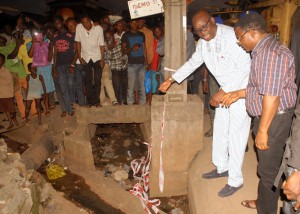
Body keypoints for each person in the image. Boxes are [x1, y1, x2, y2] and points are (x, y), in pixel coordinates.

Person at [159, 9, 251, 197]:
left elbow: (245, 67)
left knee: (236, 135)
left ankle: (235, 180)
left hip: (240, 91)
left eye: (205, 27)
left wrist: (224, 91)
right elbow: (193, 62)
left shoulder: (232, 37)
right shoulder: (203, 43)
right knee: (220, 128)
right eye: (199, 31)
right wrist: (172, 79)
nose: (203, 32)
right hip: (224, 90)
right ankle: (221, 167)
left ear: (211, 21)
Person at [221, 13, 297, 213]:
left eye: (240, 37)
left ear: (252, 33)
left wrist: (263, 129)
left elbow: (272, 96)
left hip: (273, 120)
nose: (239, 43)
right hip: (272, 117)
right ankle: (264, 200)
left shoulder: (269, 54)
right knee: (270, 166)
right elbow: (264, 87)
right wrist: (239, 93)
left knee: (267, 170)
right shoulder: (264, 51)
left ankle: (266, 209)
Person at [75, 13, 105, 107]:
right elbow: (78, 42)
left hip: (97, 56)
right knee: (87, 80)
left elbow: (102, 45)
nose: (86, 24)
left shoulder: (98, 28)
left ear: (90, 20)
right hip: (86, 56)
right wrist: (80, 57)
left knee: (97, 79)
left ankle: (97, 101)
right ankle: (90, 101)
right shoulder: (79, 27)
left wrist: (103, 59)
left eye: (87, 22)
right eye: (83, 23)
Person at [52, 15, 75, 116]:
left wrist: (73, 64)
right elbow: (55, 53)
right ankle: (69, 110)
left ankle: (73, 104)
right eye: (55, 24)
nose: (57, 25)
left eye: (59, 23)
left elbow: (76, 50)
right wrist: (54, 68)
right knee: (63, 87)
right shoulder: (55, 36)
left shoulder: (70, 34)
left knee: (70, 84)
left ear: (63, 22)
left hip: (69, 63)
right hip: (59, 66)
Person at [121, 19, 147, 105]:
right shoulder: (126, 35)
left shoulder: (141, 34)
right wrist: (132, 49)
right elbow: (123, 50)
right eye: (133, 22)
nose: (135, 24)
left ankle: (143, 103)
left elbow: (144, 48)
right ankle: (130, 103)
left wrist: (146, 62)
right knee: (131, 85)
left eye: (136, 22)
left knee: (142, 85)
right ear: (130, 23)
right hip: (131, 63)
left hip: (141, 63)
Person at [66, 18, 86, 107]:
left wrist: (72, 64)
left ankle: (81, 104)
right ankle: (73, 103)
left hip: (80, 62)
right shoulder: (68, 36)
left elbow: (78, 50)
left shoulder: (82, 33)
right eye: (69, 26)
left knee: (79, 84)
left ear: (77, 24)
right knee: (70, 83)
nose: (71, 27)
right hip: (72, 62)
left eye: (72, 24)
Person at [0, 53, 19, 129]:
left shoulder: (6, 71)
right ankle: (10, 123)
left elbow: (8, 82)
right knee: (5, 110)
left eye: (0, 60)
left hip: (8, 94)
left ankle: (15, 119)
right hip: (1, 94)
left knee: (12, 109)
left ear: (3, 61)